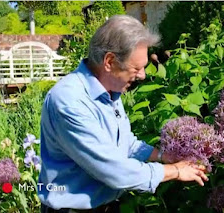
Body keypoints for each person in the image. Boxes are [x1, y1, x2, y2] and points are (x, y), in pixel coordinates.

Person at [38, 15, 208, 213]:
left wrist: (164, 155)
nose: (143, 75)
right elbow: (113, 170)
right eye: (136, 68)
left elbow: (125, 142)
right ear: (109, 61)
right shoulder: (69, 101)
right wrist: (176, 171)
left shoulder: (110, 91)